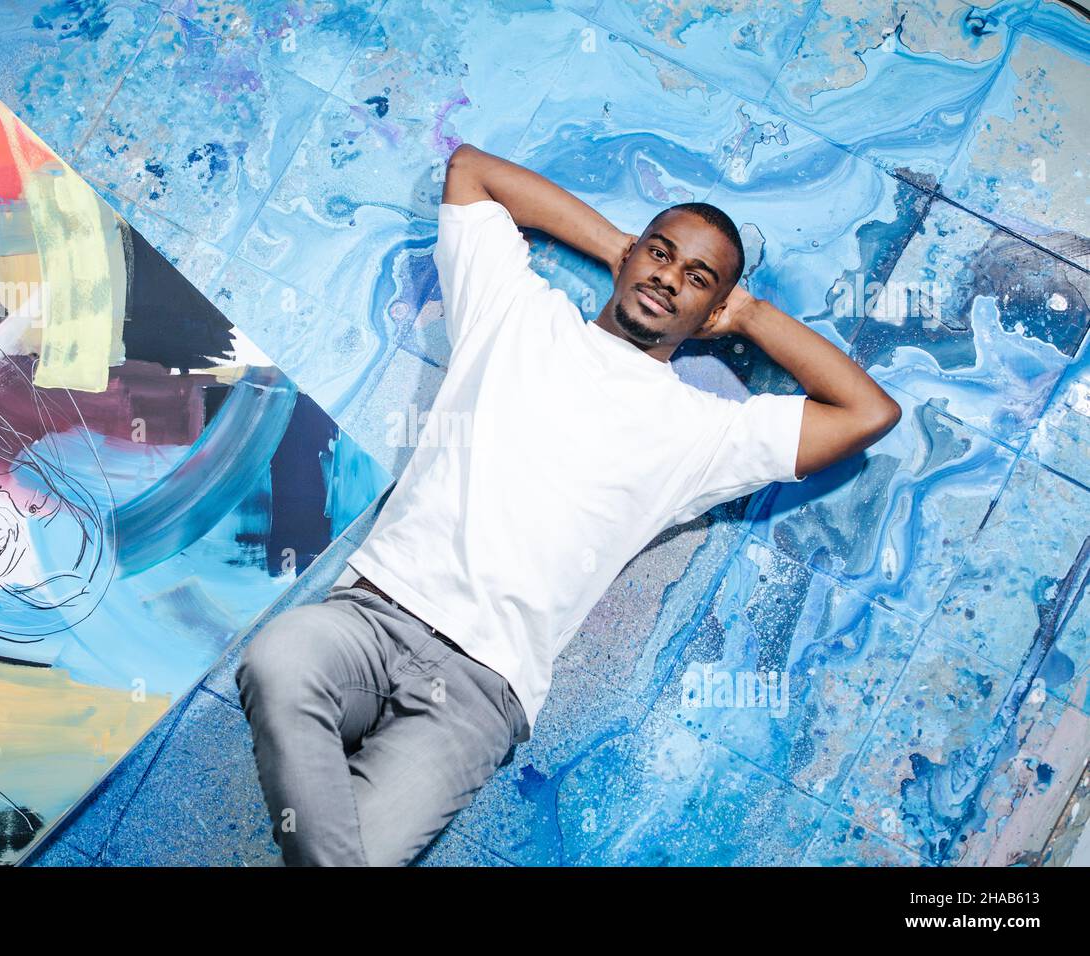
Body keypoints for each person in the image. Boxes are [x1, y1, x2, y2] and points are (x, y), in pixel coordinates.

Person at [235, 143, 901, 866]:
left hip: (479, 694)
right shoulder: (515, 312)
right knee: (279, 658)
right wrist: (620, 248)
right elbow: (472, 171)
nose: (668, 277)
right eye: (660, 253)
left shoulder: (705, 434)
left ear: (712, 310)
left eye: (696, 278)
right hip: (375, 613)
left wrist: (749, 314)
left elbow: (867, 412)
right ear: (632, 251)